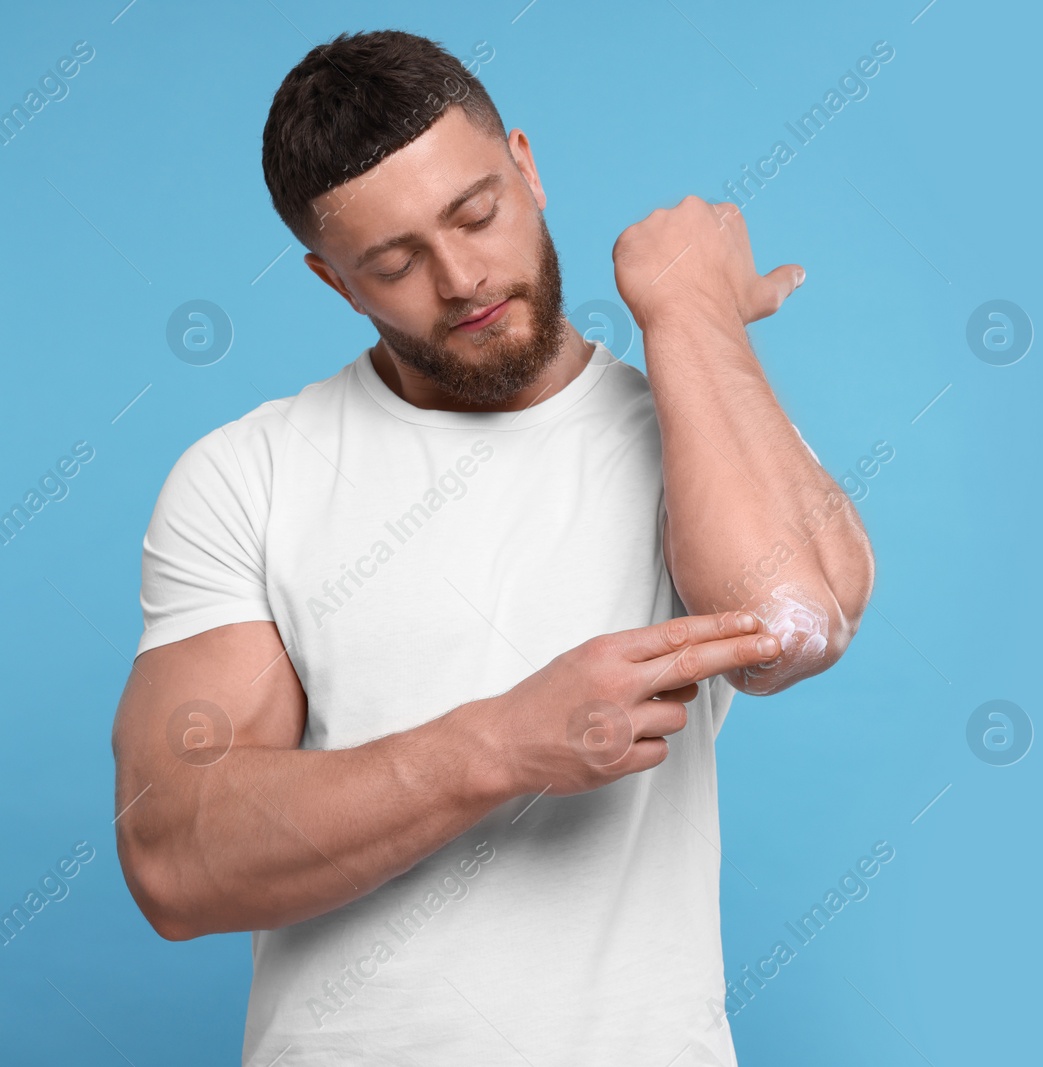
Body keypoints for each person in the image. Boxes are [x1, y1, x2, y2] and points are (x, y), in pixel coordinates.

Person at [109, 29, 874, 1066]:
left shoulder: (691, 430)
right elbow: (174, 855)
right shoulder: (250, 473)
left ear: (528, 165)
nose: (464, 276)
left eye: (478, 213)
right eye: (393, 260)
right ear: (334, 283)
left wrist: (691, 313)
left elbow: (796, 628)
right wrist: (502, 744)